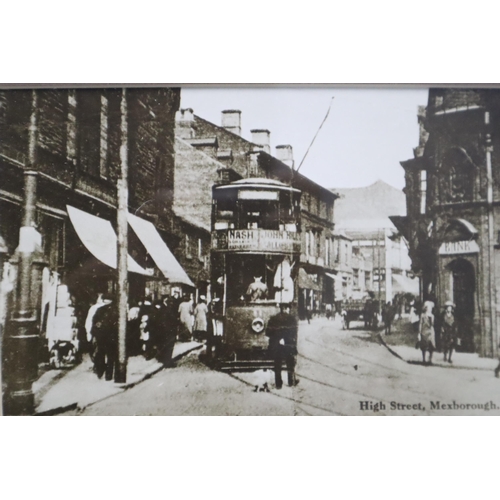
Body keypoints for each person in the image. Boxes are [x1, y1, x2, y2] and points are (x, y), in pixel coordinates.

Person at [266, 303, 299, 389]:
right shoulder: (291, 319)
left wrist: (277, 338)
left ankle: (278, 384)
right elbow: (294, 332)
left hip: (277, 345)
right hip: (288, 344)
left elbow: (268, 332)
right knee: (290, 363)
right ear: (287, 308)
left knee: (277, 364)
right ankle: (291, 382)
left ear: (280, 308)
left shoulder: (273, 319)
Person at [91, 293, 117, 380]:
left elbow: (94, 322)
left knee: (101, 354)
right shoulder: (116, 310)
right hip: (111, 336)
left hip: (102, 335)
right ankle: (108, 375)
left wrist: (94, 333)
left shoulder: (100, 310)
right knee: (111, 356)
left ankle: (100, 371)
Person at [418, 300, 436, 365]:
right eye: (429, 307)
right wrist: (419, 333)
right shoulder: (422, 315)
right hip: (424, 332)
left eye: (431, 307)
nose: (430, 309)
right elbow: (420, 324)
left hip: (431, 332)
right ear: (426, 308)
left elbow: (432, 324)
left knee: (431, 346)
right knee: (424, 346)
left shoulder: (432, 316)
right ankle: (424, 359)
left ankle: (430, 359)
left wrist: (430, 317)